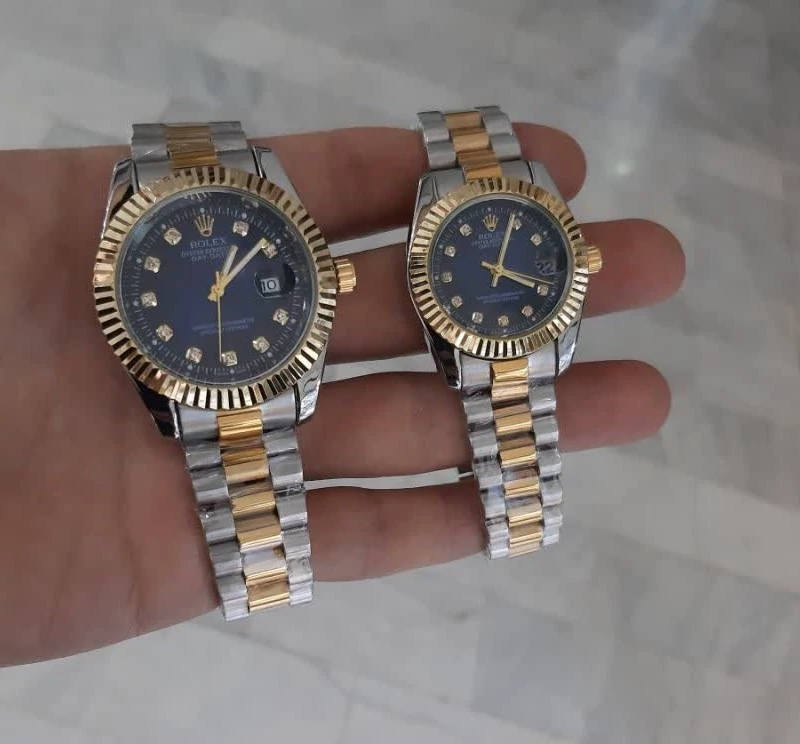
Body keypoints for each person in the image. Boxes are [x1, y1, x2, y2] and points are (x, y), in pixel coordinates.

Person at [0, 123, 684, 666]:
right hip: (199, 377)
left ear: (328, 282)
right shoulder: (130, 282)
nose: (218, 288)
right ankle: (257, 573)